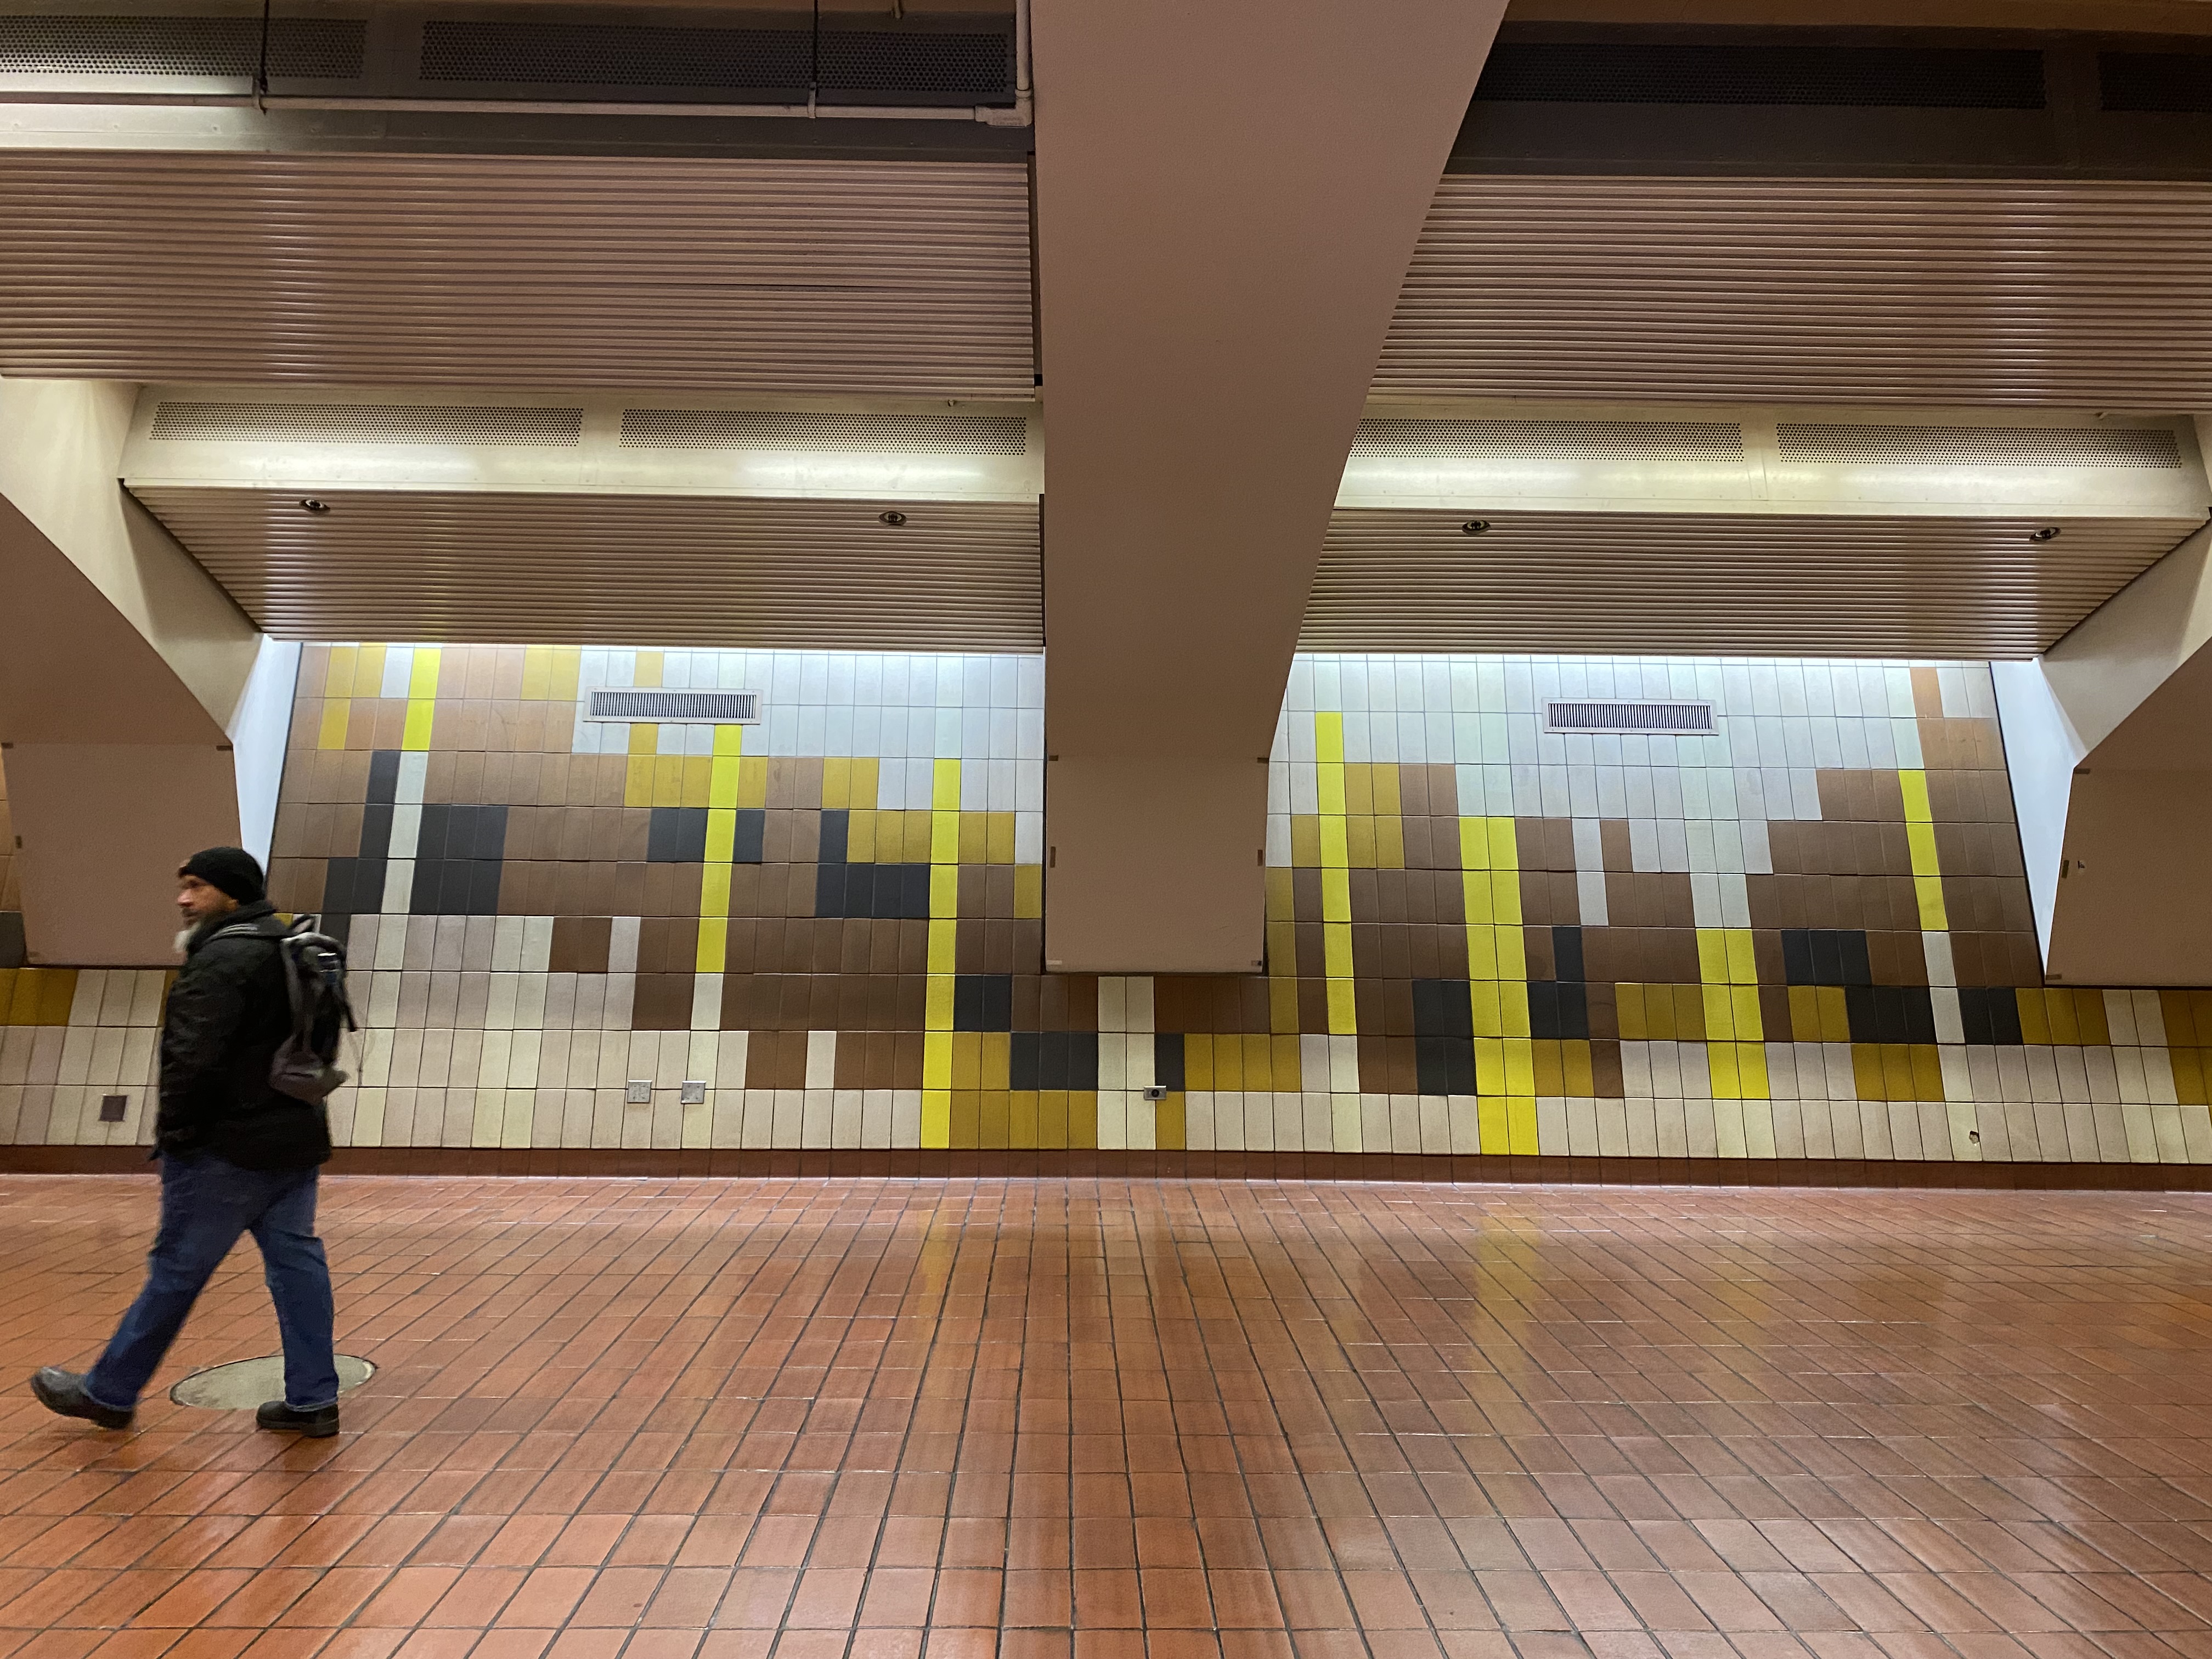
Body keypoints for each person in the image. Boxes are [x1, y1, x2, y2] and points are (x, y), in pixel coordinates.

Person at [31, 848, 342, 1437]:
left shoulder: (220, 958)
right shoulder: (289, 947)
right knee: (296, 1267)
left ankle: (110, 1392)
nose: (183, 899)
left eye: (196, 887)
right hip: (294, 1139)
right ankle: (313, 1399)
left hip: (223, 1150)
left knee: (177, 1270)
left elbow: (189, 1060)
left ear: (231, 893)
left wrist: (175, 1138)